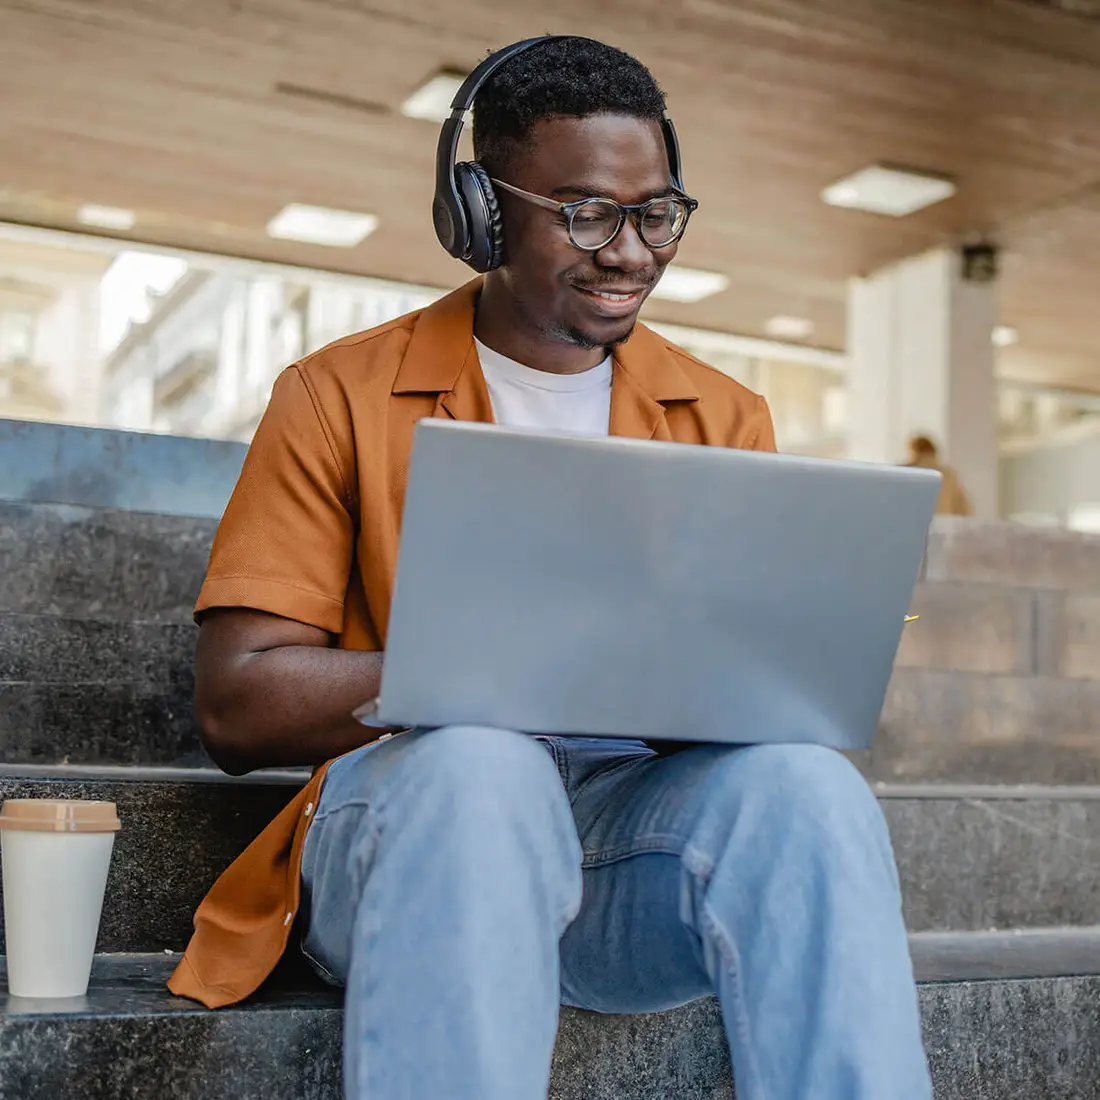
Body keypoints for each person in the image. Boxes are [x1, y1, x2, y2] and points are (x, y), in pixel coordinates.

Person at [169, 35, 932, 1100]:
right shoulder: (333, 392)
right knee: (484, 764)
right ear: (479, 210)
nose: (629, 250)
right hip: (420, 838)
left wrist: (756, 674)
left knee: (808, 789)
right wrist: (490, 671)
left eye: (655, 212)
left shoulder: (723, 414)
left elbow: (748, 693)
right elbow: (239, 703)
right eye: (584, 211)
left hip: (625, 860)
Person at [905, 433, 973, 515]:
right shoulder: (949, 474)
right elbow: (965, 510)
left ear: (913, 451)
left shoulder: (906, 473)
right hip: (943, 523)